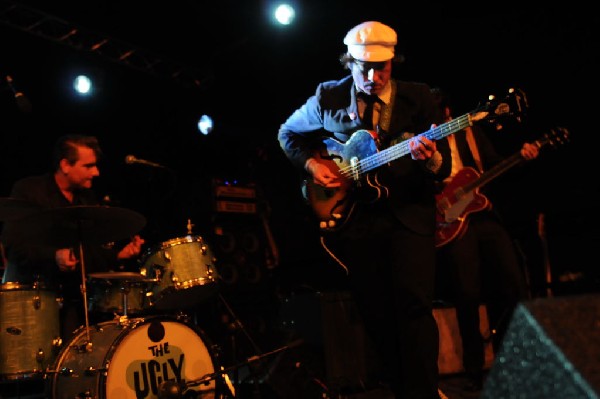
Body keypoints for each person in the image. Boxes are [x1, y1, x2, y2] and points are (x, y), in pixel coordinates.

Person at [278, 21, 449, 399]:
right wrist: (312, 165)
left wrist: (431, 157)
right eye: (362, 67)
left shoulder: (419, 97)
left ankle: (424, 392)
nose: (372, 77)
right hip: (357, 222)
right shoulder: (328, 96)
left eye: (382, 68)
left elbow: (445, 167)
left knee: (415, 307)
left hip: (409, 216)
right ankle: (399, 388)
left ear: (393, 63)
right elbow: (286, 133)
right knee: (375, 312)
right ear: (348, 62)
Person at [431, 87, 540, 391]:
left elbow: (494, 165)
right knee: (467, 293)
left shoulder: (472, 133)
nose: (438, 125)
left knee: (514, 284)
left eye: (441, 118)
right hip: (452, 219)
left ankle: (515, 360)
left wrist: (522, 157)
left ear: (449, 113)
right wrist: (438, 202)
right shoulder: (424, 142)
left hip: (482, 214)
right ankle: (474, 369)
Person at [1, 134, 145, 340]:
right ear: (66, 165)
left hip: (73, 302)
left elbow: (87, 252)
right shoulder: (29, 190)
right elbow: (14, 246)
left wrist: (117, 256)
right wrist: (54, 256)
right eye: (88, 166)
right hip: (31, 300)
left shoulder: (86, 198)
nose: (96, 172)